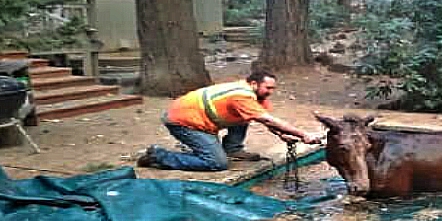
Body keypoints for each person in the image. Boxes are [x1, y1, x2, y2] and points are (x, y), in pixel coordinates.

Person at [137, 70, 321, 171]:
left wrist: (283, 135)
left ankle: (233, 149)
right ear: (254, 84)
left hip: (201, 119)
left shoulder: (256, 96)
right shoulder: (241, 95)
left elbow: (266, 120)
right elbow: (267, 119)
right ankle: (160, 156)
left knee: (244, 117)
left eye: (273, 88)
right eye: (268, 88)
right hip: (184, 121)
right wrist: (304, 134)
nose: (271, 92)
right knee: (217, 164)